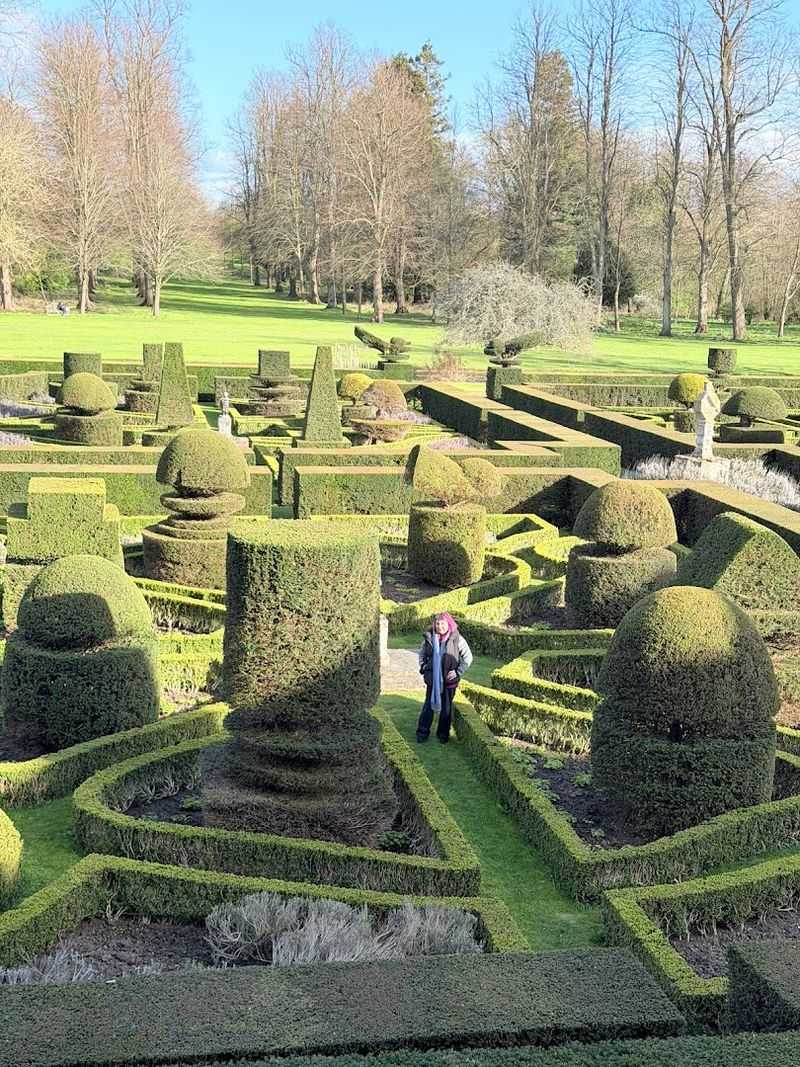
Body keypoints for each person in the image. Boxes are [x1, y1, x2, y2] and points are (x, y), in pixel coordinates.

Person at [416, 612, 473, 744]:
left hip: (449, 681)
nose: (440, 626)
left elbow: (468, 658)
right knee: (428, 707)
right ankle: (422, 732)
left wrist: (458, 672)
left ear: (449, 624)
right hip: (433, 680)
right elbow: (421, 654)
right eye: (437, 623)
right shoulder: (429, 637)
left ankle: (443, 735)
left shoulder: (457, 639)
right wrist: (424, 666)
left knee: (446, 709)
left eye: (443, 623)